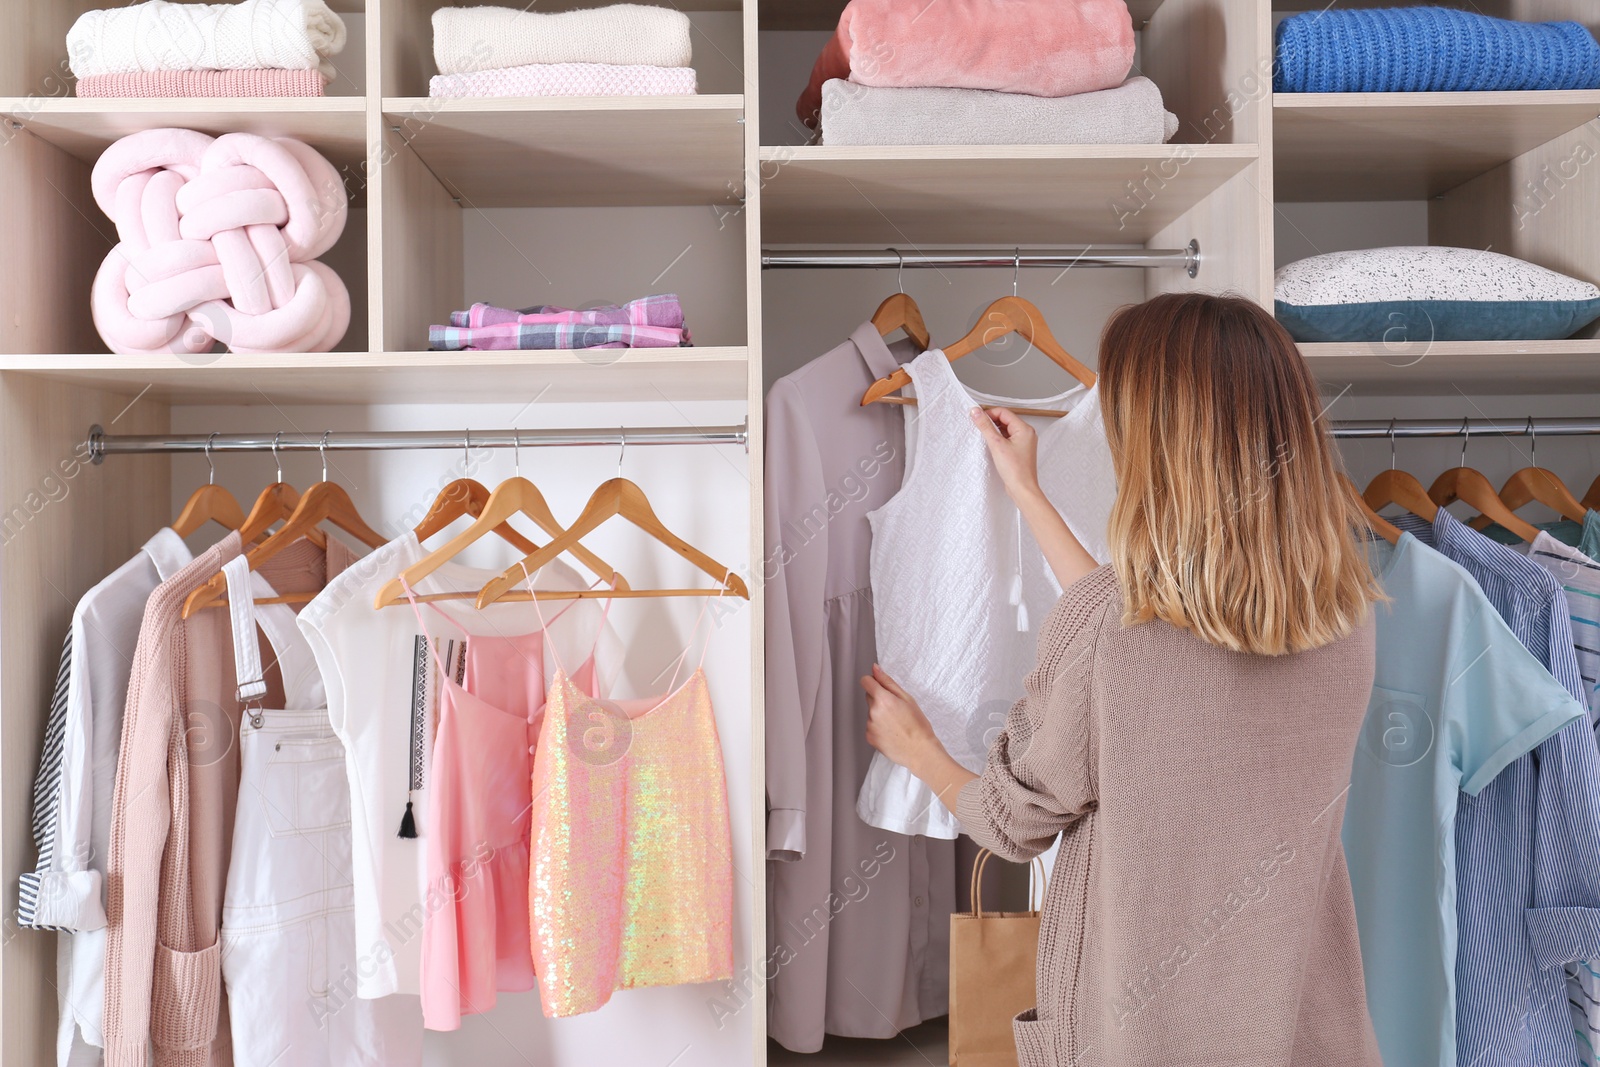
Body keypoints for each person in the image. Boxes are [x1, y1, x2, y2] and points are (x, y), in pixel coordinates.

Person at [862, 292, 1384, 1067]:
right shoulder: (1345, 614)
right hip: (1302, 1031)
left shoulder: (1113, 633)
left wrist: (919, 750)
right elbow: (1147, 639)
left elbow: (1012, 821)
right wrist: (1029, 497)